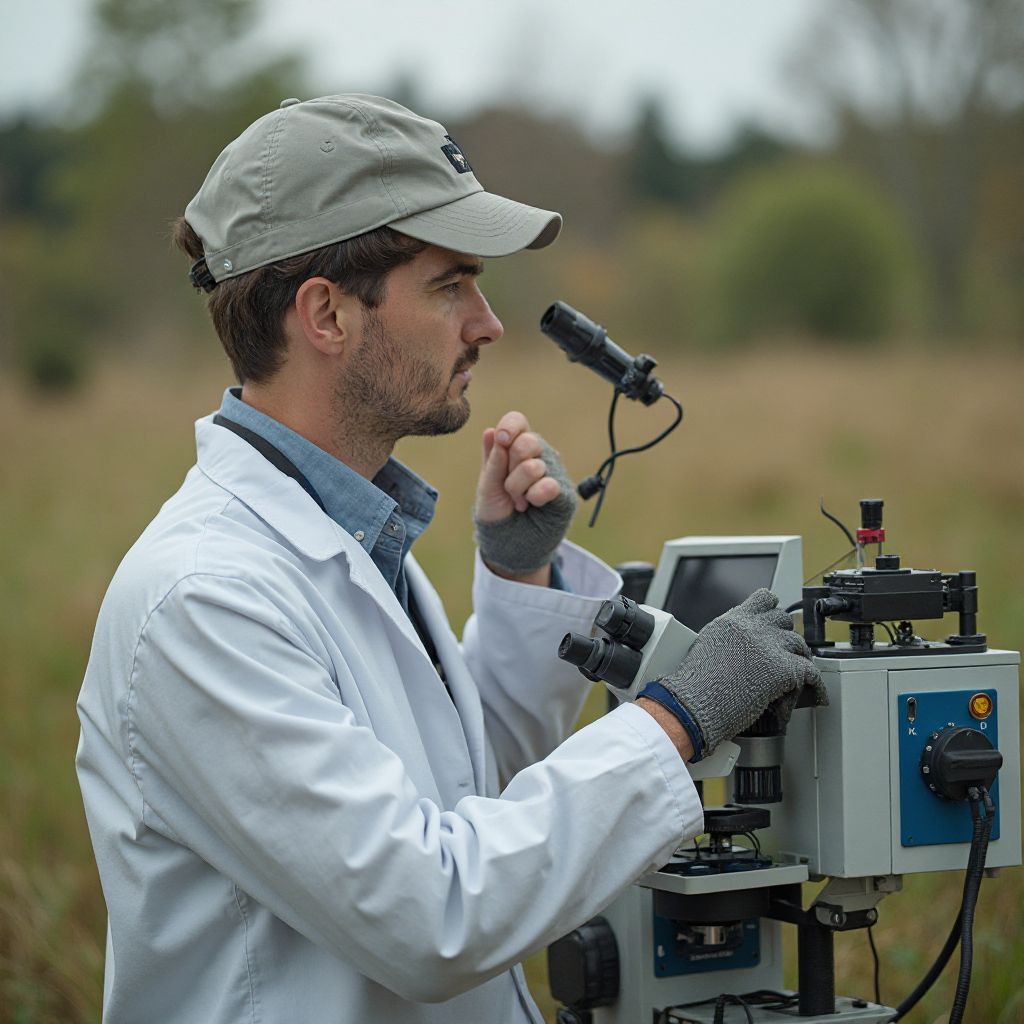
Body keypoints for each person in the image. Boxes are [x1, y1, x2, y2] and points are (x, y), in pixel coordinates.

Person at [75, 94, 823, 1024]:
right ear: (326, 315)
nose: (487, 323)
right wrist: (679, 720)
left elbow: (465, 799)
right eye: (450, 284)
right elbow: (432, 913)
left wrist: (517, 577)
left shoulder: (348, 535)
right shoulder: (203, 601)